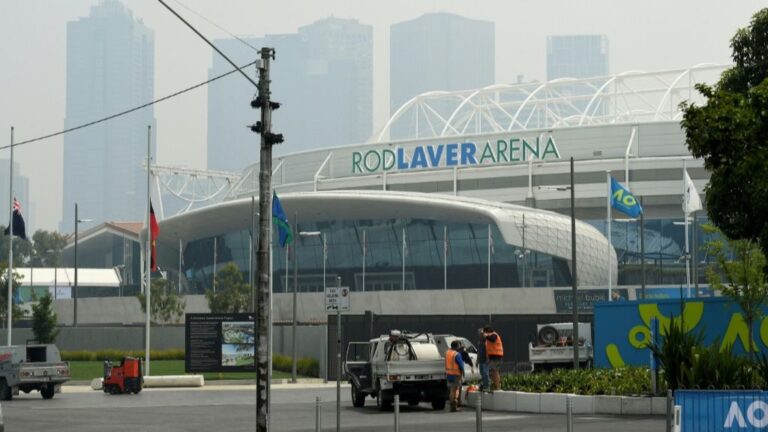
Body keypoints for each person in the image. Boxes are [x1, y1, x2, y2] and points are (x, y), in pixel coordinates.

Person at [445, 340, 465, 412]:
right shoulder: (457, 354)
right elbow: (461, 365)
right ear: (457, 346)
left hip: (449, 374)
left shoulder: (447, 353)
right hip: (456, 374)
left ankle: (451, 404)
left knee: (451, 390)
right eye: (459, 345)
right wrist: (462, 373)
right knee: (456, 389)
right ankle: (455, 405)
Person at [483, 325, 504, 392]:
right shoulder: (488, 337)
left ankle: (498, 387)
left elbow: (492, 339)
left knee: (494, 371)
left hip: (496, 356)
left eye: (485, 332)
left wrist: (486, 335)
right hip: (492, 357)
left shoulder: (494, 335)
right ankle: (496, 385)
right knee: (492, 372)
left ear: (488, 331)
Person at [456, 342, 474, 406]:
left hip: (450, 372)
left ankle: (453, 401)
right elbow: (467, 359)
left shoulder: (451, 352)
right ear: (460, 345)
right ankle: (457, 401)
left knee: (453, 388)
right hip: (458, 371)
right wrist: (472, 366)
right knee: (458, 387)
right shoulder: (462, 352)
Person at [476, 328, 490, 393]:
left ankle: (487, 387)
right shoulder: (479, 342)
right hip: (481, 361)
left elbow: (488, 351)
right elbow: (478, 352)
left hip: (485, 360)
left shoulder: (487, 341)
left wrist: (487, 359)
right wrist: (477, 361)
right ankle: (483, 386)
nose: (481, 335)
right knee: (482, 373)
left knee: (485, 373)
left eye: (482, 333)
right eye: (480, 333)